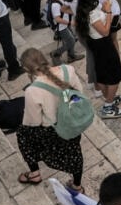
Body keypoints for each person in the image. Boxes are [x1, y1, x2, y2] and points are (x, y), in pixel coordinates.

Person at [18, 47, 88, 190]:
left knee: (23, 134)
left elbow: (34, 121)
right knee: (75, 151)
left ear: (27, 70)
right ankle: (77, 186)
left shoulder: (32, 91)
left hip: (54, 130)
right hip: (72, 122)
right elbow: (79, 92)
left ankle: (35, 173)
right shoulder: (68, 70)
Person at [77, 0, 121, 117]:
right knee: (115, 75)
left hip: (97, 44)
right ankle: (108, 106)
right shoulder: (92, 14)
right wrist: (109, 11)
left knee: (103, 73)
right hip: (103, 44)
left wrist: (105, 12)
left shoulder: (85, 8)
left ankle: (109, 98)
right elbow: (105, 32)